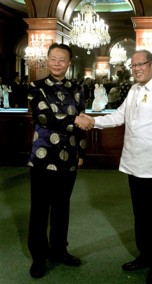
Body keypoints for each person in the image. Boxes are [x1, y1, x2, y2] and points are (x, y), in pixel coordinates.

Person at [75, 50, 152, 284]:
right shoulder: (134, 90)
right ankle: (145, 256)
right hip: (134, 164)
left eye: (141, 64)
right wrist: (92, 121)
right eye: (133, 66)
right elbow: (117, 117)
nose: (136, 69)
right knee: (141, 215)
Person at [27, 43, 88, 279]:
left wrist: (81, 153)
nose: (57, 63)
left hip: (69, 159)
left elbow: (81, 126)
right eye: (53, 58)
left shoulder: (78, 88)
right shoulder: (36, 87)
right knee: (40, 210)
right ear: (47, 60)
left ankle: (59, 251)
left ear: (68, 63)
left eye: (62, 60)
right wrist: (78, 122)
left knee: (62, 208)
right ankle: (39, 258)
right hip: (43, 158)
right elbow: (46, 117)